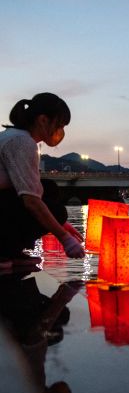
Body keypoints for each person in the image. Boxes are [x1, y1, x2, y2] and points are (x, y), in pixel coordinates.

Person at [0, 93, 85, 268]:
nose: (60, 131)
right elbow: (30, 201)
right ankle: (3, 251)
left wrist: (61, 225)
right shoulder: (22, 142)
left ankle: (10, 250)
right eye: (59, 124)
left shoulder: (14, 136)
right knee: (57, 210)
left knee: (48, 189)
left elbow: (32, 190)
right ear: (43, 120)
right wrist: (64, 237)